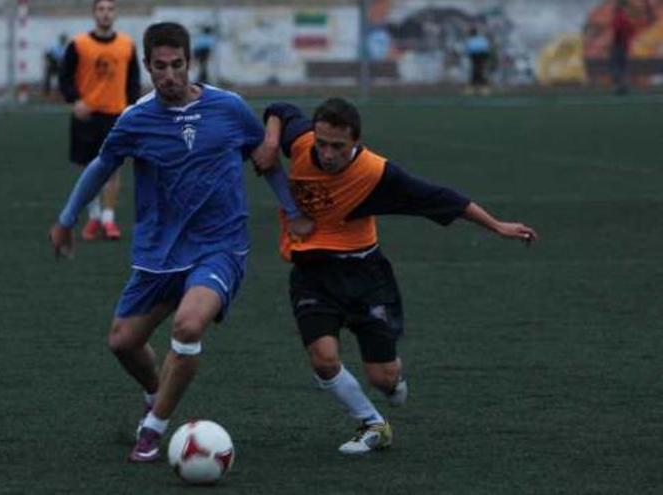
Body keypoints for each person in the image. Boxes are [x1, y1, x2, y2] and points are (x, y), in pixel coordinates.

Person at [48, 22, 312, 463]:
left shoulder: (229, 108)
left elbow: (264, 161)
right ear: (148, 68)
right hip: (159, 251)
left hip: (220, 245)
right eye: (159, 67)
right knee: (122, 342)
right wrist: (66, 218)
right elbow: (101, 166)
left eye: (176, 65)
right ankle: (157, 393)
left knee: (188, 327)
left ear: (190, 63)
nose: (169, 75)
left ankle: (154, 429)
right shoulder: (135, 119)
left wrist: (294, 209)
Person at [253, 97, 537, 455]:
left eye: (336, 147)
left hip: (365, 274)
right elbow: (278, 108)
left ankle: (391, 383)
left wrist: (497, 226)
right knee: (323, 358)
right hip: (312, 272)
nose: (325, 154)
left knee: (382, 377)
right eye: (322, 143)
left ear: (356, 142)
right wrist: (270, 142)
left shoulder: (377, 175)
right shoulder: (303, 143)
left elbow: (444, 197)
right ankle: (373, 423)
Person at [58, 0, 141, 241]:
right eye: (101, 9)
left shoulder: (127, 45)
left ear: (115, 14)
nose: (105, 14)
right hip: (87, 115)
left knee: (114, 168)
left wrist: (131, 107)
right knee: (88, 168)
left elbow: (133, 81)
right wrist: (75, 101)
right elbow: (64, 77)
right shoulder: (79, 44)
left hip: (116, 115)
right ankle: (94, 217)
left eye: (110, 9)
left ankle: (109, 218)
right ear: (94, 14)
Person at [611, 0, 637, 95]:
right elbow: (632, 30)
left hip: (619, 45)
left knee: (617, 66)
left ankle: (619, 86)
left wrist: (615, 43)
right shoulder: (625, 17)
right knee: (623, 66)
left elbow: (616, 31)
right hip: (624, 45)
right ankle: (624, 86)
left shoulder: (619, 17)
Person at [464, 26, 491, 95]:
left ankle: (472, 89)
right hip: (481, 56)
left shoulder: (470, 40)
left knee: (476, 72)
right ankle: (483, 89)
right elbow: (486, 49)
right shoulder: (482, 39)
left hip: (476, 57)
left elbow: (468, 51)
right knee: (479, 71)